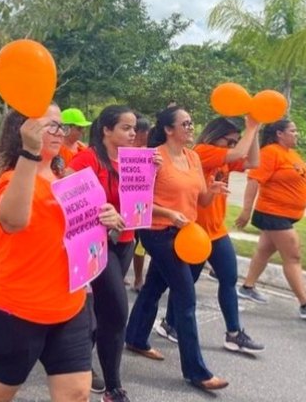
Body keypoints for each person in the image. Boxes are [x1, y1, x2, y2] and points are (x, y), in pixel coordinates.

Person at [0, 105, 123, 402]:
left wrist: (108, 217)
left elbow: (82, 234)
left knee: (76, 393)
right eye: (50, 126)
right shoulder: (13, 180)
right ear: (24, 131)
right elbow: (12, 221)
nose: (59, 133)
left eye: (61, 126)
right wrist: (29, 153)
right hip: (17, 310)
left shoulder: (67, 179)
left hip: (70, 307)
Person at [124, 106, 229, 391]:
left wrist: (213, 191)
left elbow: (201, 200)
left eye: (192, 122)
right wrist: (169, 214)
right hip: (158, 233)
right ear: (169, 129)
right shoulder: (154, 157)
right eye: (185, 123)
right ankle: (197, 372)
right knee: (186, 297)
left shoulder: (193, 157)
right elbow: (137, 201)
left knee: (154, 287)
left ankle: (134, 337)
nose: (191, 127)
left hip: (185, 235)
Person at [155, 117, 265, 354]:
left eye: (236, 141)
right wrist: (252, 126)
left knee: (228, 278)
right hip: (195, 231)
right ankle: (169, 323)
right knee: (185, 284)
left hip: (216, 231)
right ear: (216, 135)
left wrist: (255, 132)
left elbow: (253, 161)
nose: (233, 145)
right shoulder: (204, 152)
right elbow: (237, 154)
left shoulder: (223, 157)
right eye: (229, 141)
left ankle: (234, 333)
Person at [68, 105, 154, 402]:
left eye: (134, 128)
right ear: (106, 129)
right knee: (117, 311)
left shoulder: (136, 161)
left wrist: (154, 172)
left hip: (126, 241)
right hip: (96, 244)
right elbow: (67, 202)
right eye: (126, 128)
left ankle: (76, 358)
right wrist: (99, 212)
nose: (133, 133)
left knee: (106, 314)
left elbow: (141, 201)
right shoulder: (86, 159)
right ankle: (113, 387)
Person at [235, 119, 306, 319]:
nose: (297, 134)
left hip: (285, 215)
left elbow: (302, 182)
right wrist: (246, 211)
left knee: (264, 251)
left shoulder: (291, 154)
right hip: (273, 213)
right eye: (293, 130)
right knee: (293, 256)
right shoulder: (270, 152)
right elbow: (254, 180)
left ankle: (247, 288)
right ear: (280, 133)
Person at [130, 113, 151, 292]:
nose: (143, 134)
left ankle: (138, 278)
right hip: (124, 205)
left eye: (146, 130)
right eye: (141, 130)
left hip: (142, 206)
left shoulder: (150, 152)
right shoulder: (122, 150)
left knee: (140, 244)